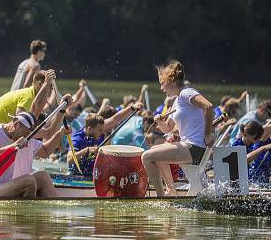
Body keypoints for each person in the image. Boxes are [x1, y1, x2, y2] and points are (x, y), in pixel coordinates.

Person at [141, 61, 214, 197]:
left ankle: (160, 198)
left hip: (195, 148)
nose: (161, 88)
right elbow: (167, 128)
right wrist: (160, 121)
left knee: (146, 157)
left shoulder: (187, 93)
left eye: (163, 83)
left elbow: (209, 107)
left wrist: (208, 133)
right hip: (189, 147)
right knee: (153, 150)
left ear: (172, 81)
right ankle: (171, 190)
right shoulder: (177, 101)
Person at [0, 102, 70, 198]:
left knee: (43, 176)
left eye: (28, 135)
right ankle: (25, 212)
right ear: (16, 124)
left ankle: (55, 210)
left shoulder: (26, 136)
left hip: (6, 187)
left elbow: (45, 151)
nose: (26, 138)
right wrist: (12, 146)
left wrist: (60, 133)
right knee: (29, 181)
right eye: (25, 134)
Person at [68, 103, 144, 177]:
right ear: (89, 129)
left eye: (102, 130)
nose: (102, 132)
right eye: (100, 130)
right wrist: (87, 150)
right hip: (78, 175)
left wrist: (132, 108)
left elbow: (115, 118)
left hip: (94, 173)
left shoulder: (98, 127)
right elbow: (69, 159)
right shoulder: (77, 139)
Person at [0, 69, 56, 133]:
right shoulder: (28, 97)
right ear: (40, 84)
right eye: (50, 86)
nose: (51, 89)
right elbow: (20, 121)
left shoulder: (32, 94)